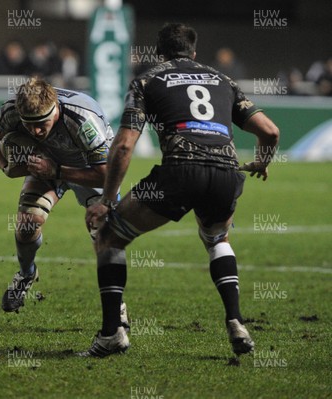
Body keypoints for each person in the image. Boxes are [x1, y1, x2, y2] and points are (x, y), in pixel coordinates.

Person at [80, 23, 279, 357]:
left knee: (109, 237)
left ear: (159, 53)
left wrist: (104, 199)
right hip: (225, 174)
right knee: (217, 239)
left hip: (180, 172)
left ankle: (111, 333)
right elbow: (270, 132)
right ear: (194, 51)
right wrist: (260, 162)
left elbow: (125, 146)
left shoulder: (147, 81)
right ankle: (235, 320)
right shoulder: (222, 80)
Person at [0, 77, 129, 326]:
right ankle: (27, 274)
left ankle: (118, 311)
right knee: (27, 224)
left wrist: (57, 170)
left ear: (56, 110)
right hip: (46, 164)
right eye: (30, 126)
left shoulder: (83, 121)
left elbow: (107, 172)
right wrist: (5, 166)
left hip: (89, 168)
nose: (36, 131)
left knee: (104, 237)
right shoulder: (11, 112)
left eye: (42, 124)